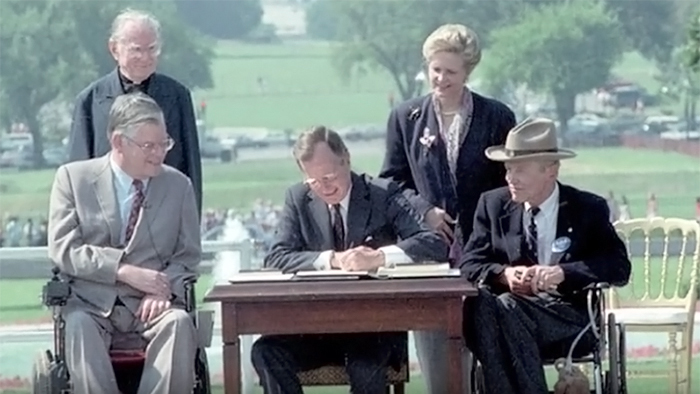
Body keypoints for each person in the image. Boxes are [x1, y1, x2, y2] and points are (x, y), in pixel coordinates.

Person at [251, 126, 448, 394]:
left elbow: (433, 244)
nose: (324, 187)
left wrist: (379, 257)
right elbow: (276, 256)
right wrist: (331, 259)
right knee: (265, 351)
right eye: (314, 181)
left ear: (347, 158)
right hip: (315, 328)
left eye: (330, 176)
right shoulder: (297, 198)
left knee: (365, 366)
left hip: (374, 328)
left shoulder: (382, 193)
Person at [377, 23, 515, 392]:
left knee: (491, 356)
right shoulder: (405, 118)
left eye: (450, 71)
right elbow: (391, 182)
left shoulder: (497, 117)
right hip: (429, 257)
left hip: (485, 251)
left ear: (468, 72)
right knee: (441, 367)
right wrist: (425, 211)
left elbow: (510, 183)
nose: (440, 78)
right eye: (435, 69)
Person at [460, 117, 631, 394]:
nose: (510, 179)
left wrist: (564, 273)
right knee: (489, 307)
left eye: (520, 170)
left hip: (568, 318)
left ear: (551, 170)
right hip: (508, 314)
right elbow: (469, 263)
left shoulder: (587, 208)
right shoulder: (492, 205)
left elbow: (618, 266)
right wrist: (504, 274)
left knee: (500, 310)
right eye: (508, 169)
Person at [48, 93, 201, 394]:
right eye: (149, 146)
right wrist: (122, 271)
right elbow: (63, 249)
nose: (159, 153)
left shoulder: (178, 186)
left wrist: (163, 287)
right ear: (119, 142)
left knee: (179, 324)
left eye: (163, 144)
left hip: (152, 307)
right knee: (78, 326)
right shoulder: (73, 179)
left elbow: (188, 255)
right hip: (92, 304)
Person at [67, 8, 202, 216]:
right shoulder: (90, 101)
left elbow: (191, 167)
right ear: (114, 49)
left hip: (163, 219)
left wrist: (191, 225)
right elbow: (77, 175)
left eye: (152, 49)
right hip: (106, 223)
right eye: (137, 50)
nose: (145, 57)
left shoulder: (177, 97)